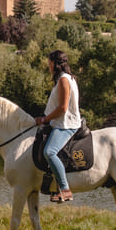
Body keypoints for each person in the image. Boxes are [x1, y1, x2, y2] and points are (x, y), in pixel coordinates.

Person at [34, 50, 81, 203]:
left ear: (55, 63)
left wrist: (45, 119)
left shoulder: (63, 80)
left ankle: (65, 189)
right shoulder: (64, 79)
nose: (48, 66)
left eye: (50, 63)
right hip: (60, 122)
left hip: (66, 124)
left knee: (50, 152)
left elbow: (63, 108)